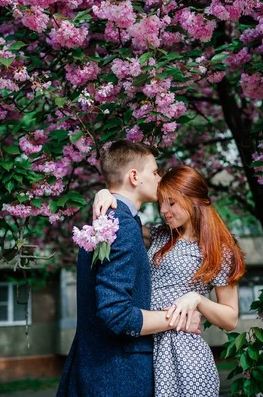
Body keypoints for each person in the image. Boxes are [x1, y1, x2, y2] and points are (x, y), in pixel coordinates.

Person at [56, 142, 201, 397]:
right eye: (155, 172)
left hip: (97, 370)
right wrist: (178, 319)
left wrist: (104, 192)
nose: (160, 178)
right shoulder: (119, 225)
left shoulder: (112, 220)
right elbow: (116, 313)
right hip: (117, 375)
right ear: (134, 176)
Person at [94, 165, 246, 397]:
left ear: (193, 199)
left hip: (185, 357)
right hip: (145, 347)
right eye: (161, 203)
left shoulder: (219, 250)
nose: (164, 210)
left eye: (171, 203)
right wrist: (106, 194)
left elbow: (231, 318)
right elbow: (121, 220)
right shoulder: (160, 235)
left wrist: (196, 300)